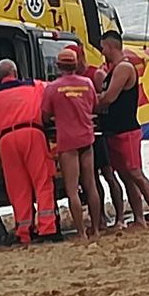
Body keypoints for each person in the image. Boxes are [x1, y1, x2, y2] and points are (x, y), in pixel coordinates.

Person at [0, 59, 59, 244]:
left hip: (6, 140)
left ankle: (24, 230)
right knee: (42, 181)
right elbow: (52, 94)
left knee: (18, 188)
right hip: (32, 132)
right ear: (15, 72)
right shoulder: (34, 86)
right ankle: (47, 227)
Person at [97, 30, 149, 229]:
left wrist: (91, 103)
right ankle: (138, 218)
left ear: (110, 47)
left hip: (126, 129)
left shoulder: (124, 68)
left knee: (136, 173)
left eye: (103, 48)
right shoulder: (112, 70)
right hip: (113, 130)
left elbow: (109, 97)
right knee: (125, 175)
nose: (102, 51)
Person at [66, 43, 129, 228]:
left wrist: (90, 110)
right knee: (91, 178)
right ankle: (100, 217)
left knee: (109, 174)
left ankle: (119, 216)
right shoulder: (72, 79)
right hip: (84, 133)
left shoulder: (95, 75)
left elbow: (105, 100)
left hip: (99, 131)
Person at [42, 48, 101, 240]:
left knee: (72, 189)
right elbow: (94, 106)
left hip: (67, 141)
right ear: (75, 65)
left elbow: (45, 115)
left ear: (58, 66)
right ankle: (96, 228)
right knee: (90, 184)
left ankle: (81, 232)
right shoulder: (87, 83)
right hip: (86, 138)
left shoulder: (52, 88)